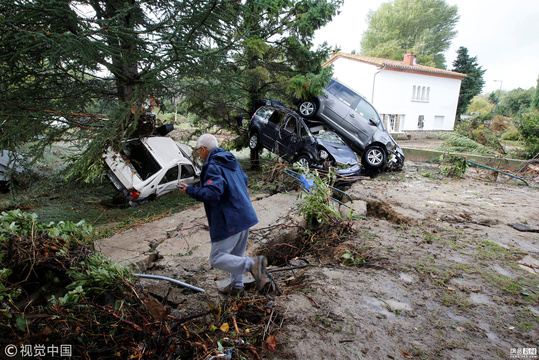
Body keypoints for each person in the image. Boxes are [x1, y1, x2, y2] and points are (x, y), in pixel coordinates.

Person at [179, 134, 267, 295]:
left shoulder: (212, 166)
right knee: (236, 255)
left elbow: (212, 194)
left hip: (230, 219)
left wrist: (189, 190)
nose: (199, 154)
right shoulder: (230, 160)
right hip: (244, 215)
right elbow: (245, 180)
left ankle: (253, 265)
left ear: (203, 149)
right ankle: (237, 287)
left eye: (199, 151)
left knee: (217, 258)